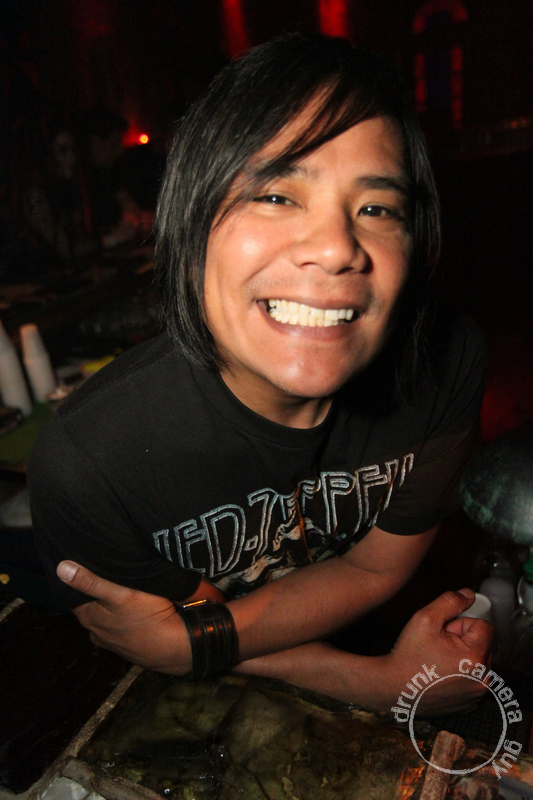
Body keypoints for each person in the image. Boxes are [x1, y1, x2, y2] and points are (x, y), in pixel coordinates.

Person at [28, 33, 491, 714]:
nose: (335, 248)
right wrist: (378, 684)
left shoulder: (445, 363)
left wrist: (197, 642)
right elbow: (151, 642)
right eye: (275, 195)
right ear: (189, 220)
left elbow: (372, 568)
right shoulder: (92, 463)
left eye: (376, 208)